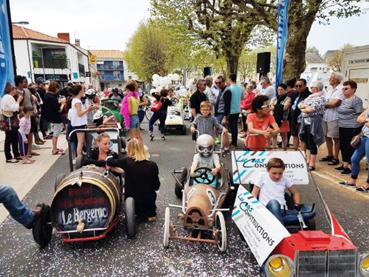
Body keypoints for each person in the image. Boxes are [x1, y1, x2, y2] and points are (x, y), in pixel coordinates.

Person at [107, 138, 160, 221]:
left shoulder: (126, 162)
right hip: (149, 205)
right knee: (150, 192)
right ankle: (150, 215)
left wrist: (113, 155)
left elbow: (109, 162)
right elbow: (156, 186)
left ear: (129, 150)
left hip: (132, 203)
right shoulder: (152, 165)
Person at [251, 158, 303, 224]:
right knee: (274, 203)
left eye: (280, 173)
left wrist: (297, 204)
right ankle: (282, 231)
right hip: (265, 210)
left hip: (282, 210)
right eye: (274, 173)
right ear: (268, 170)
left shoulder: (285, 178)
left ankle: (278, 226)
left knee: (309, 213)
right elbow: (254, 194)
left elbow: (296, 192)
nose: (277, 176)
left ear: (283, 171)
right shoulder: (262, 176)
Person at [335, 80, 364, 175]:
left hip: (352, 127)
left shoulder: (356, 100)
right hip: (342, 125)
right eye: (343, 88)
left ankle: (350, 166)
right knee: (343, 146)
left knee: (350, 146)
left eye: (346, 88)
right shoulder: (343, 99)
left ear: (353, 89)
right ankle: (344, 164)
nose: (344, 90)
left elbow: (360, 114)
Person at [298, 81, 326, 171]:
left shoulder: (321, 98)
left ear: (317, 88)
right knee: (306, 141)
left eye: (312, 87)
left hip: (314, 123)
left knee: (312, 142)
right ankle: (308, 160)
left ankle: (312, 163)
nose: (310, 89)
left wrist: (304, 108)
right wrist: (304, 107)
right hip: (305, 122)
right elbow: (300, 104)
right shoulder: (310, 97)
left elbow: (310, 109)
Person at [341, 106, 369, 192]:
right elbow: (359, 118)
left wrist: (365, 120)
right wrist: (366, 120)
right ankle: (353, 180)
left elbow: (365, 122)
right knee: (354, 159)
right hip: (364, 136)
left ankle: (368, 184)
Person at [321, 72, 344, 166]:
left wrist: (325, 104)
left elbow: (335, 103)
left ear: (336, 79)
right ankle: (330, 155)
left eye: (331, 77)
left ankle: (336, 158)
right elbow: (326, 102)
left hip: (335, 117)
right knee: (327, 137)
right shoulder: (330, 90)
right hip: (326, 116)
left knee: (336, 138)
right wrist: (327, 103)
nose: (329, 79)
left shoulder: (340, 90)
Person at [69, 85, 96, 156]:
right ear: (80, 91)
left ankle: (80, 156)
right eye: (83, 90)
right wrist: (88, 109)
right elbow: (79, 114)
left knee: (81, 141)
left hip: (79, 123)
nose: (84, 91)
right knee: (80, 142)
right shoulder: (77, 101)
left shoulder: (76, 100)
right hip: (79, 124)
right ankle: (79, 157)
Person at [15, 76, 39, 158]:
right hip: (23, 116)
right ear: (19, 83)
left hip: (30, 115)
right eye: (24, 82)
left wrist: (33, 110)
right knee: (24, 134)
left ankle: (30, 150)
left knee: (30, 132)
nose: (26, 83)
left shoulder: (27, 90)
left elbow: (32, 100)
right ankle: (25, 152)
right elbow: (15, 105)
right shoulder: (15, 93)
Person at [43, 81, 66, 155]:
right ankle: (54, 149)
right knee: (56, 134)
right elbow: (59, 109)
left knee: (55, 133)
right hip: (56, 117)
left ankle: (55, 147)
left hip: (49, 116)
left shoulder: (46, 95)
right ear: (55, 88)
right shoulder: (53, 97)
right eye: (57, 88)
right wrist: (62, 103)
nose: (58, 90)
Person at [1, 83, 22, 163]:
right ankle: (9, 157)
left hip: (9, 119)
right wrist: (18, 101)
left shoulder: (6, 97)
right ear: (12, 90)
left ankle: (16, 154)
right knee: (10, 138)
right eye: (15, 89)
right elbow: (15, 108)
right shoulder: (9, 97)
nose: (16, 90)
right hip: (10, 119)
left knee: (13, 137)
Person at [289, 78, 311, 149]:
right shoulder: (295, 94)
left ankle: (303, 155)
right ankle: (295, 153)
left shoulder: (309, 95)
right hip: (293, 118)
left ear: (305, 85)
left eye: (300, 85)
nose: (298, 87)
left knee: (302, 138)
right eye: (296, 86)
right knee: (294, 136)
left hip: (303, 120)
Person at [224, 73, 243, 149]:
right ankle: (233, 142)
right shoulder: (240, 88)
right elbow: (242, 98)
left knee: (231, 127)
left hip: (231, 111)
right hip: (237, 109)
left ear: (230, 79)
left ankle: (233, 143)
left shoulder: (229, 89)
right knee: (234, 126)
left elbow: (227, 102)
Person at [272, 83, 291, 148]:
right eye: (278, 89)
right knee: (274, 135)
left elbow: (284, 108)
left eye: (281, 89)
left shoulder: (288, 99)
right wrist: (279, 106)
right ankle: (274, 150)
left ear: (285, 90)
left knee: (284, 136)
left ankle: (284, 150)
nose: (279, 91)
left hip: (283, 119)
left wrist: (274, 106)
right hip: (274, 119)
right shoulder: (274, 98)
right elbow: (270, 106)